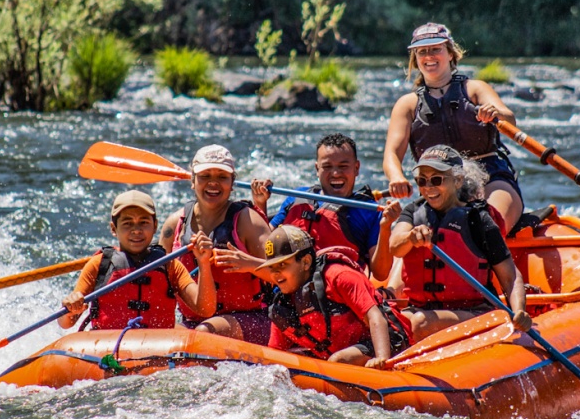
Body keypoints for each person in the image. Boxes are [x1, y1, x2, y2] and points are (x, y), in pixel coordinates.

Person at [383, 22, 524, 234]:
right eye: (422, 52)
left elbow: (509, 120)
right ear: (416, 59)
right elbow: (391, 154)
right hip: (437, 185)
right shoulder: (407, 104)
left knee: (488, 228)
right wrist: (396, 177)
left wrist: (495, 113)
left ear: (450, 53)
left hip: (490, 177)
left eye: (435, 49)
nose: (429, 56)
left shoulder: (475, 89)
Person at [387, 145, 531, 342]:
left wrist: (519, 310)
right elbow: (395, 245)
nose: (428, 187)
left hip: (473, 313)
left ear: (457, 181)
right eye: (422, 180)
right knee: (393, 321)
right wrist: (411, 237)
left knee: (420, 322)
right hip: (419, 310)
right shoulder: (413, 211)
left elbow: (511, 276)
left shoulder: (479, 220)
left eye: (436, 180)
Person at [159, 144, 274, 344]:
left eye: (222, 177)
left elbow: (286, 275)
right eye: (205, 176)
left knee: (205, 332)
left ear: (232, 183)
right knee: (161, 326)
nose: (213, 183)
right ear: (192, 181)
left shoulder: (248, 221)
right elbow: (158, 284)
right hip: (192, 322)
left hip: (252, 320)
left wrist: (250, 264)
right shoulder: (174, 226)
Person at [248, 133, 400, 282]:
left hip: (336, 295)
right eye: (327, 166)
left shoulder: (369, 211)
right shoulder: (296, 197)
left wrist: (385, 228)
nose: (335, 173)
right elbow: (263, 248)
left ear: (356, 168)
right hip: (287, 290)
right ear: (317, 168)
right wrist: (260, 203)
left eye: (343, 166)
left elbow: (381, 274)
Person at [60, 190, 216, 331]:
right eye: (127, 224)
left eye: (144, 222)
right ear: (114, 229)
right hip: (107, 351)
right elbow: (65, 323)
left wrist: (203, 263)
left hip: (159, 348)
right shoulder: (99, 265)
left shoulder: (170, 265)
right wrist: (71, 306)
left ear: (155, 226)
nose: (136, 230)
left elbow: (206, 309)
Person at [260, 225, 412, 368]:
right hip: (340, 356)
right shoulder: (284, 306)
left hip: (386, 342)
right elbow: (275, 356)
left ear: (306, 262)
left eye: (282, 265)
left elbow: (375, 317)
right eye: (271, 267)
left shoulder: (339, 276)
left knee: (338, 360)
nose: (275, 273)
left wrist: (382, 359)